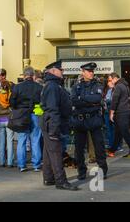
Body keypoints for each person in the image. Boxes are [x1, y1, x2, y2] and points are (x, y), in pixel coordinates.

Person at [41, 61, 79, 191]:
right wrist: (54, 128)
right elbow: (53, 109)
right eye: (60, 69)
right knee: (56, 152)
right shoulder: (52, 86)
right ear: (52, 71)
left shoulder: (54, 85)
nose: (62, 71)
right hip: (52, 123)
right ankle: (61, 181)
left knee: (48, 152)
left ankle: (49, 178)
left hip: (52, 123)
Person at [71, 62, 108, 180]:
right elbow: (73, 101)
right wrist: (90, 102)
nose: (91, 73)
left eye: (92, 71)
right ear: (83, 72)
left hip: (94, 119)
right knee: (79, 149)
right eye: (89, 71)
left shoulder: (98, 84)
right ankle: (81, 171)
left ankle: (102, 170)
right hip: (80, 120)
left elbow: (97, 98)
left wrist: (82, 98)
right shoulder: (76, 86)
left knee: (99, 147)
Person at [10, 66, 43, 172]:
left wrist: (17, 108)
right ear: (33, 75)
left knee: (22, 139)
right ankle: (36, 164)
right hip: (35, 114)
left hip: (21, 114)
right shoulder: (39, 87)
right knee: (35, 140)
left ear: (24, 75)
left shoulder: (17, 87)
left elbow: (12, 102)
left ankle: (22, 164)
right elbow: (43, 101)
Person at [0, 80, 15, 167]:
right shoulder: (11, 94)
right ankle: (10, 162)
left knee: (1, 142)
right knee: (10, 141)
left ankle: (1, 161)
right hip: (9, 119)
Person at [108, 73, 130, 158]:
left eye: (110, 80)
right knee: (118, 132)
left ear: (115, 78)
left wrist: (111, 113)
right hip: (125, 111)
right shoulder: (125, 85)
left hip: (121, 112)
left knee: (125, 132)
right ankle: (112, 150)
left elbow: (115, 100)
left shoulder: (118, 86)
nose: (110, 82)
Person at [103, 77, 115, 150]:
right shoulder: (106, 90)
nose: (109, 82)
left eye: (110, 81)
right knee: (108, 129)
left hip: (113, 112)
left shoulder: (115, 90)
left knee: (114, 129)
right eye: (108, 81)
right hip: (107, 112)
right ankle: (111, 145)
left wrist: (106, 101)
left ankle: (116, 145)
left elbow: (113, 101)